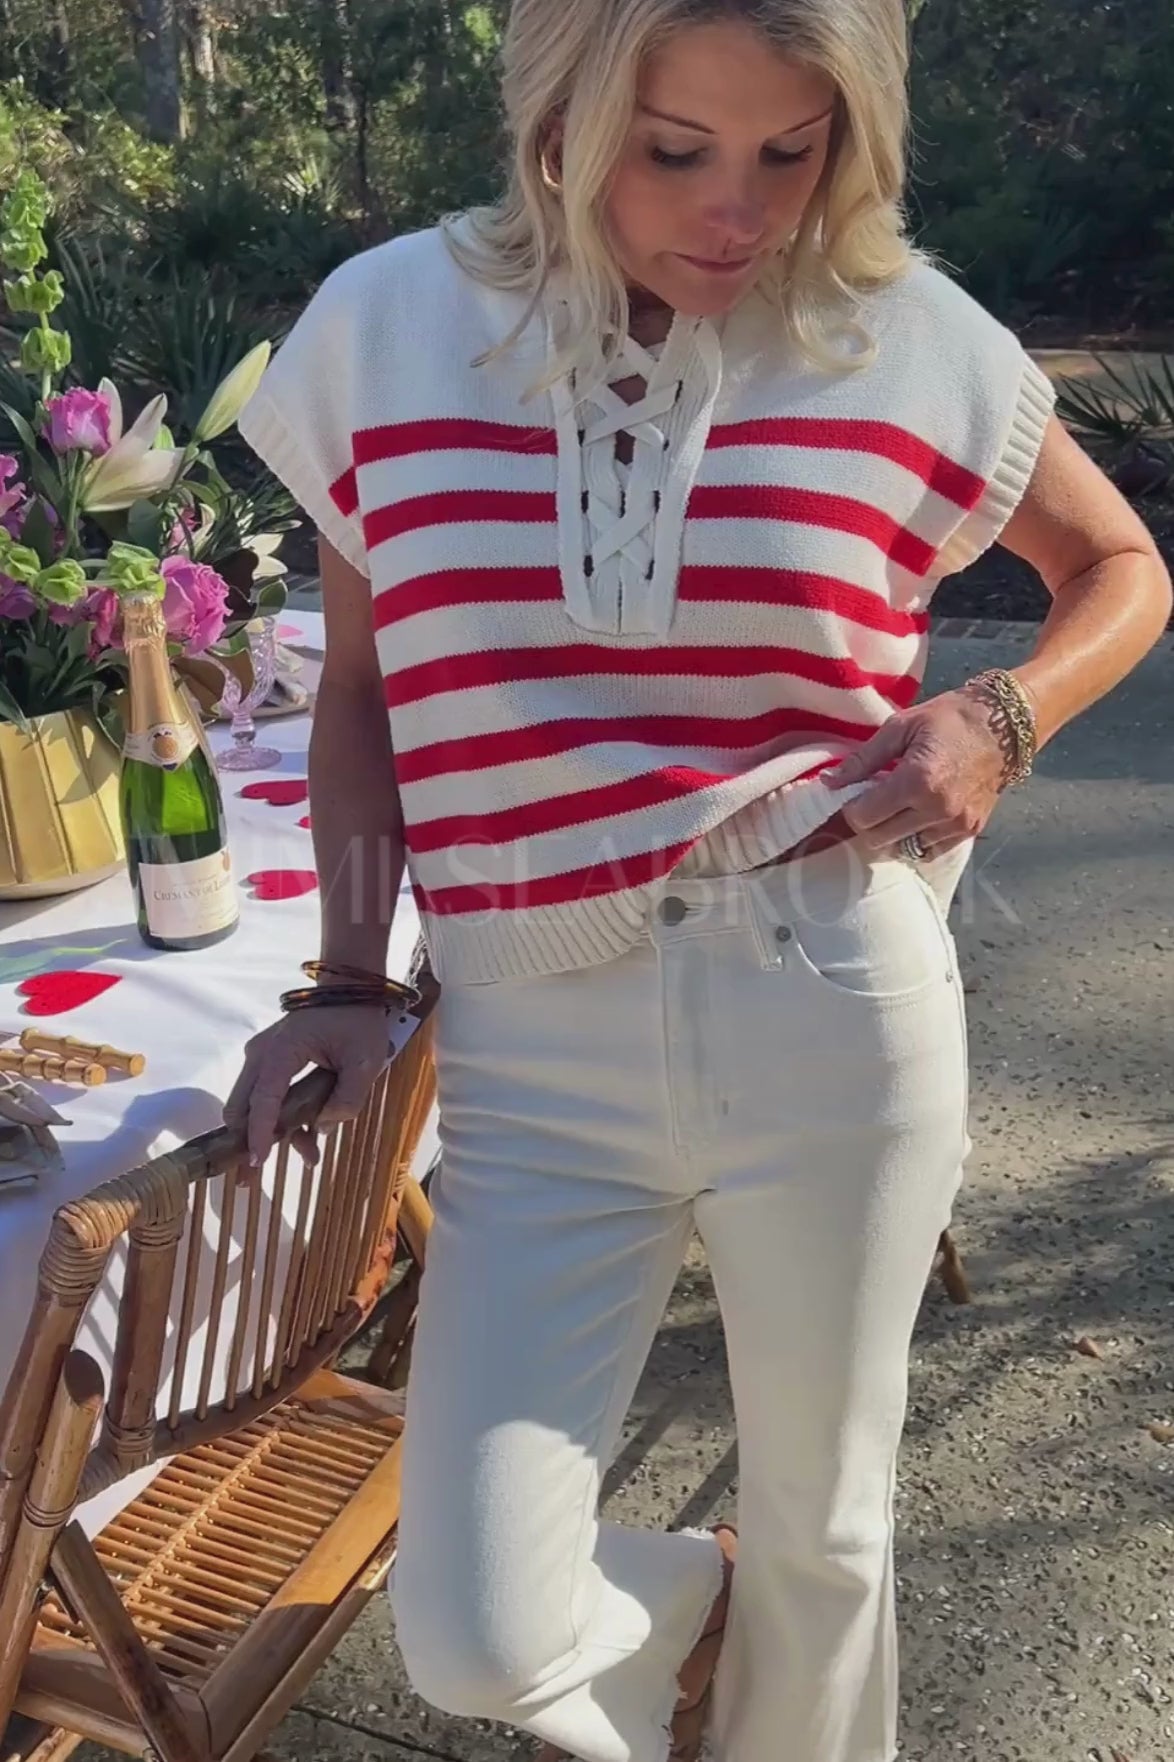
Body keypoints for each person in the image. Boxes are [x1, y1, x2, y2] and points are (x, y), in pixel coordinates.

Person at [226, 1, 1173, 1758]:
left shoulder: (902, 333)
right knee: (474, 1629)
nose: (736, 210)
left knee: (834, 1529)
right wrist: (347, 976)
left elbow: (1122, 566)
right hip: (528, 1041)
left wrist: (1000, 715)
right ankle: (704, 1602)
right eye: (672, 150)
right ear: (559, 122)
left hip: (831, 998)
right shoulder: (386, 325)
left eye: (789, 152)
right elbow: (360, 693)